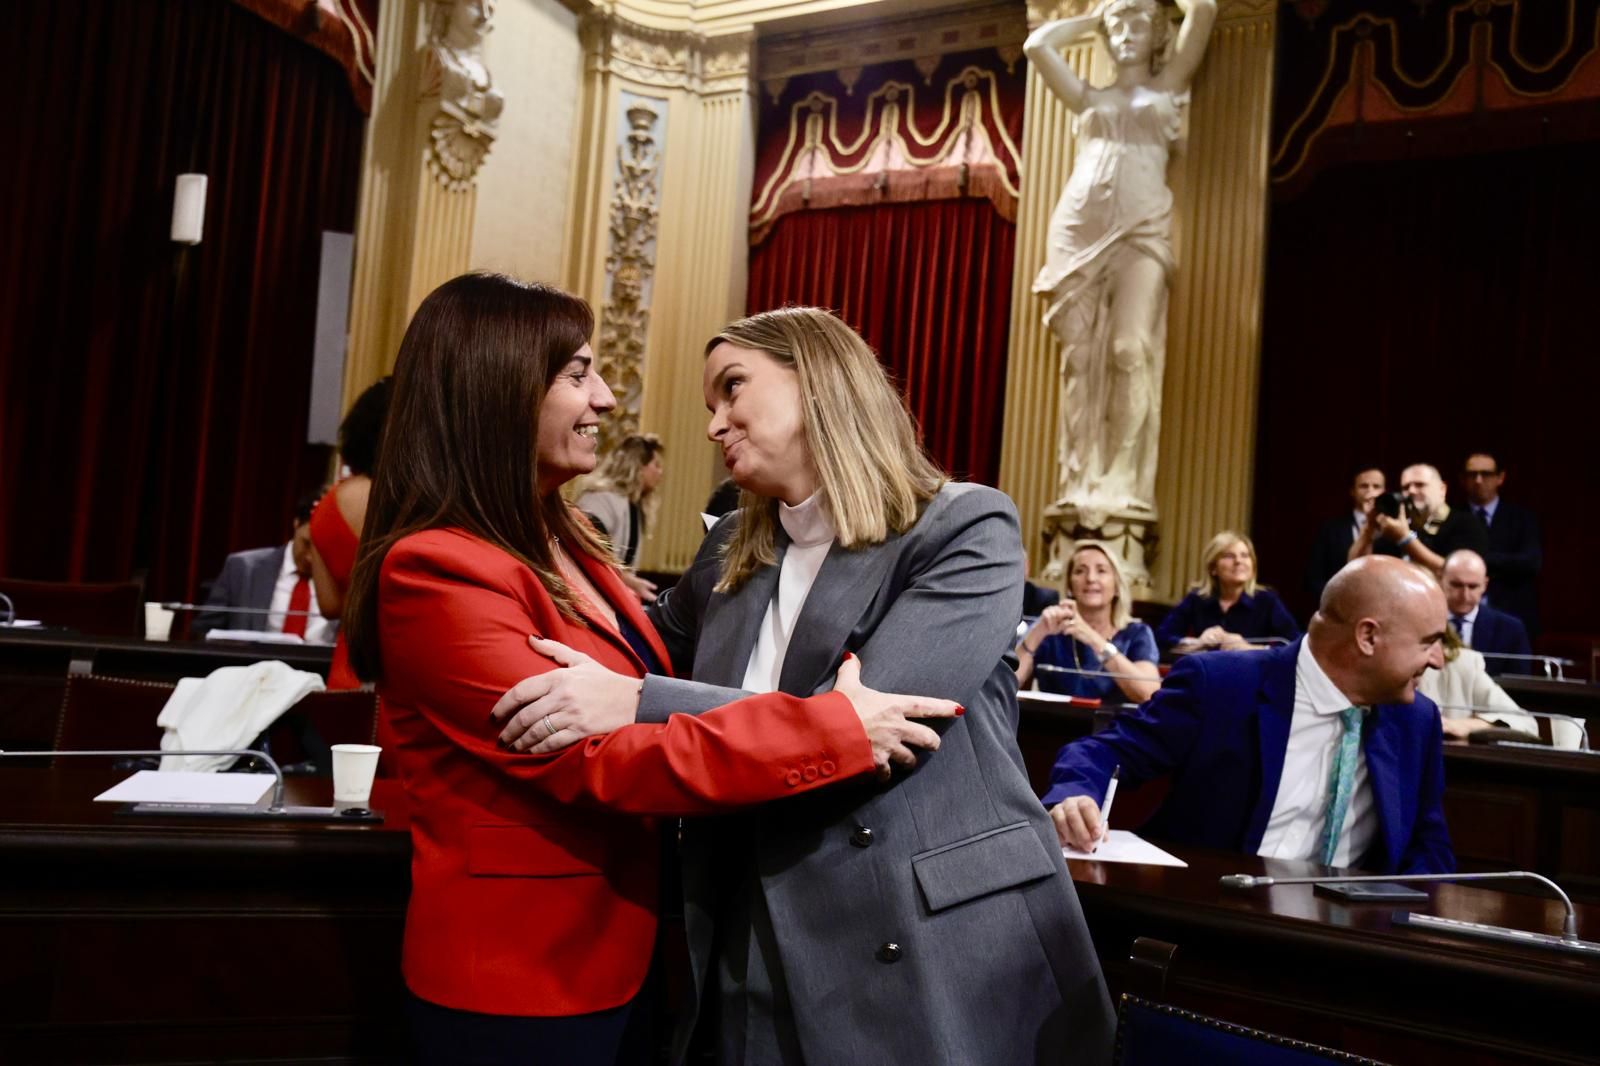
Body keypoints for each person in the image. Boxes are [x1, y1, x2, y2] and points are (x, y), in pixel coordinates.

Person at [340, 275, 957, 1065]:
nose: (603, 397)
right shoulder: (437, 570)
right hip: (523, 979)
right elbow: (595, 758)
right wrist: (833, 729)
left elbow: (648, 684)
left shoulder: (567, 544)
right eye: (576, 373)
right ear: (496, 387)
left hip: (629, 955)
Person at [493, 307, 1116, 1065]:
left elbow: (873, 731)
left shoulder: (964, 526)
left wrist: (641, 702)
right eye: (709, 408)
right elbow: (629, 649)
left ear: (817, 378)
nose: (716, 425)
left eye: (732, 389)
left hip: (931, 941)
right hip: (749, 926)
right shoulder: (731, 545)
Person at [1046, 555, 1456, 875]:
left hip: (1349, 943)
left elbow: (1428, 849)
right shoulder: (1220, 685)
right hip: (1209, 920)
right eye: (1430, 642)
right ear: (1368, 636)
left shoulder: (1416, 721)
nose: (1439, 660)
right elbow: (1103, 753)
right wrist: (1075, 794)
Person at [1024, 0, 1217, 512]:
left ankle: (1120, 477)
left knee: (1130, 349)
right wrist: (1100, 16)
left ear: (1158, 35)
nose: (1127, 34)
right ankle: (1078, 474)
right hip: (1076, 230)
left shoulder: (1169, 84)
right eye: (1119, 27)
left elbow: (1204, 9)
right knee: (1079, 359)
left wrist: (1140, 12)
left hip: (1142, 229)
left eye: (1139, 24)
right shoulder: (1087, 95)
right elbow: (1037, 44)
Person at [308, 377, 391, 689]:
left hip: (348, 668)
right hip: (397, 668)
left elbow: (329, 605)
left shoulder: (328, 503)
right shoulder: (410, 501)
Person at [1016, 541, 1160, 703]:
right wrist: (1037, 632)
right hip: (1052, 724)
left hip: (1115, 726)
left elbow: (1149, 694)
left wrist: (1093, 638)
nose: (1091, 578)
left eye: (1101, 571)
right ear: (1070, 586)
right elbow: (1007, 683)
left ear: (1117, 585)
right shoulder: (1051, 633)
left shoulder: (1137, 634)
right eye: (1080, 571)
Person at [192, 496, 332, 642]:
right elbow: (202, 631)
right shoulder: (243, 568)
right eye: (307, 543)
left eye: (321, 548)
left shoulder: (345, 582)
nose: (311, 557)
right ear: (296, 523)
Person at [1156, 530, 1299, 653]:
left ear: (1253, 565)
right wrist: (1198, 643)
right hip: (1206, 675)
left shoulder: (1267, 600)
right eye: (1229, 556)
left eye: (1245, 555)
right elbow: (1162, 637)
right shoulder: (1197, 599)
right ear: (1213, 568)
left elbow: (1293, 644)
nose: (1238, 561)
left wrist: (1248, 647)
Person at [1351, 463, 1487, 576]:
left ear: (1442, 489)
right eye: (1405, 487)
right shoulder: (1397, 527)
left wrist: (1405, 539)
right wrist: (1369, 527)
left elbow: (1458, 574)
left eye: (1420, 485)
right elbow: (1356, 568)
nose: (1411, 491)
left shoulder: (1465, 523)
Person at [575, 433, 664, 603]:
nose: (660, 472)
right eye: (656, 465)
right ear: (638, 466)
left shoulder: (633, 504)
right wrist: (626, 581)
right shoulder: (599, 500)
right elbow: (588, 556)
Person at [1460, 451, 1542, 636]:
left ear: (1500, 478)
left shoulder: (1521, 518)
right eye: (1472, 475)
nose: (1479, 480)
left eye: (1486, 474)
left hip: (1511, 612)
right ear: (1463, 480)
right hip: (1460, 615)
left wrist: (1479, 561)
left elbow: (1530, 563)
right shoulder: (1454, 516)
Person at [1422, 627, 1538, 741]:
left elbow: (1525, 724)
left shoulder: (1461, 664)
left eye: (1435, 640)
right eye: (1423, 644)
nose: (1437, 661)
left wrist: (1462, 726)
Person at [1439, 549, 1532, 677]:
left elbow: (1520, 685)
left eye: (1472, 587)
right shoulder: (1421, 621)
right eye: (1456, 585)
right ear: (1440, 579)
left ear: (1484, 585)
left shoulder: (1510, 629)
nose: (1465, 595)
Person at [1305, 467, 1386, 606]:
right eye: (1363, 486)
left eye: (1376, 486)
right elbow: (1314, 577)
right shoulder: (1331, 529)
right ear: (1352, 492)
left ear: (1384, 492)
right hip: (1339, 606)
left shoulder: (1394, 529)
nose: (1370, 491)